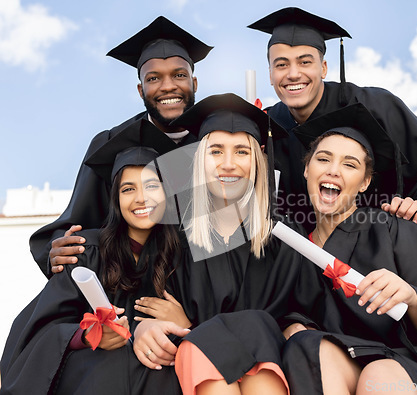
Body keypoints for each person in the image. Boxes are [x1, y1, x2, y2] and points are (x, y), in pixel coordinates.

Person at [280, 103, 417, 394]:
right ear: (307, 169)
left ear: (365, 182)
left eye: (350, 164)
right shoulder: (294, 247)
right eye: (323, 159)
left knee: (379, 373)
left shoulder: (397, 230)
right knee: (309, 348)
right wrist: (293, 326)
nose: (334, 170)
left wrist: (414, 299)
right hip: (349, 359)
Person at [132, 93, 340, 395]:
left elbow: (304, 312)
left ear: (257, 159)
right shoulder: (171, 235)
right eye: (216, 152)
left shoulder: (284, 236)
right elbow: (145, 306)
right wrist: (144, 328)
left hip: (270, 363)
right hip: (194, 365)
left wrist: (193, 324)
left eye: (242, 152)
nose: (228, 165)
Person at [248, 7, 417, 246]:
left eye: (305, 62)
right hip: (300, 267)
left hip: (383, 258)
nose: (293, 74)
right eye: (281, 65)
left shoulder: (376, 107)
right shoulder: (265, 126)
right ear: (270, 74)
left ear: (323, 68)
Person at [1, 119, 191, 394]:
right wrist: (88, 335)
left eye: (152, 186)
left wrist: (184, 321)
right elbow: (42, 331)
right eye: (128, 189)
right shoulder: (87, 250)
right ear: (115, 198)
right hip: (94, 377)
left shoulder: (182, 255)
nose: (141, 198)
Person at [29, 16, 213, 276]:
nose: (168, 86)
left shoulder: (216, 144)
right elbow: (78, 220)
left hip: (203, 285)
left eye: (179, 75)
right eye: (153, 79)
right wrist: (56, 249)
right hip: (129, 283)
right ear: (140, 90)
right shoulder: (111, 143)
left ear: (194, 83)